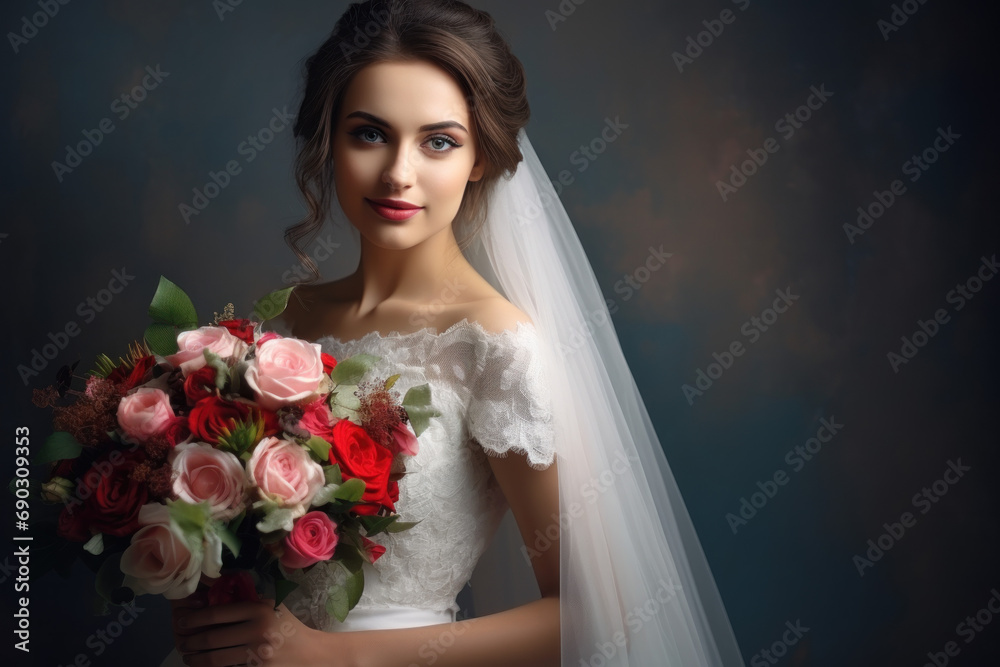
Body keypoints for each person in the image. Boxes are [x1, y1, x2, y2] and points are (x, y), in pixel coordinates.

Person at [164, 1, 746, 665]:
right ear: (330, 138)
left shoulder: (494, 344)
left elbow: (593, 613)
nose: (398, 174)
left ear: (480, 158)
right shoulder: (288, 321)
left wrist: (340, 656)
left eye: (437, 141)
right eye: (370, 134)